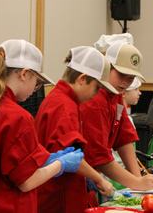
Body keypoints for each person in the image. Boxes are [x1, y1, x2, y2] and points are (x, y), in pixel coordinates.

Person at [0, 39, 83, 213]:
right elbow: (27, 181)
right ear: (24, 74)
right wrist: (60, 165)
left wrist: (45, 159)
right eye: (37, 82)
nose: (35, 88)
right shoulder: (17, 117)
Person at [35, 46, 116, 213]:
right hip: (58, 199)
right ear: (82, 79)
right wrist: (98, 179)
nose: (97, 94)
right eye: (97, 87)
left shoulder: (62, 100)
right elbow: (70, 156)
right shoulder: (65, 107)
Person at [80, 37, 153, 191]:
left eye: (131, 78)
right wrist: (135, 183)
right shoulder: (94, 99)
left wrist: (138, 178)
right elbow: (98, 155)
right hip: (82, 177)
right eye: (121, 74)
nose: (125, 82)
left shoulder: (116, 94)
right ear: (107, 67)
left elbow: (124, 137)